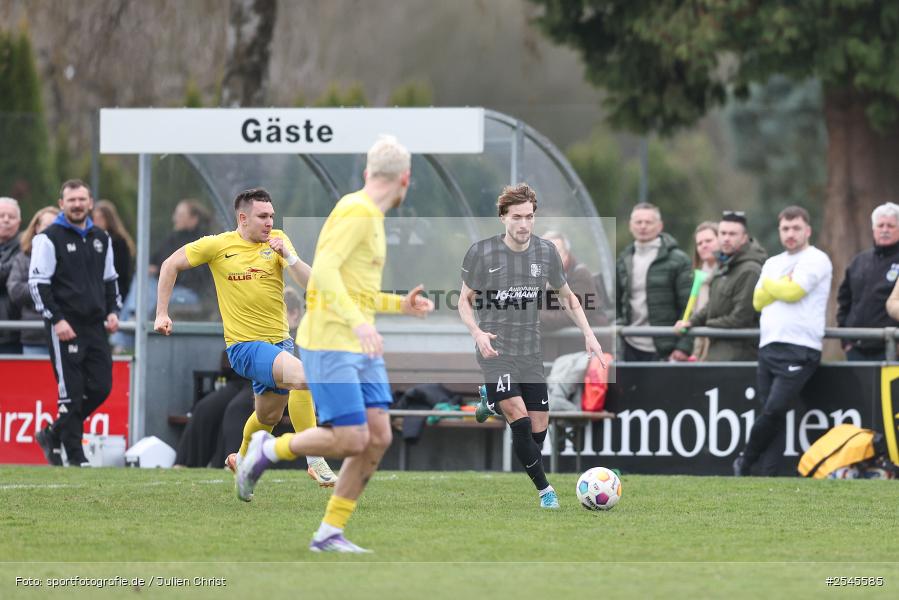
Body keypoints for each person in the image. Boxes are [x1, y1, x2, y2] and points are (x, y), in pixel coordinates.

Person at [236, 135, 435, 553]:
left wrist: (400, 305)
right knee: (349, 439)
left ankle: (328, 533)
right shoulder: (358, 212)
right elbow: (324, 273)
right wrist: (358, 324)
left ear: (368, 172)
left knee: (377, 436)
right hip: (330, 341)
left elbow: (353, 291)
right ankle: (265, 451)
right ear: (406, 178)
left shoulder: (371, 218)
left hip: (358, 344)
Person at [154, 187, 338, 486]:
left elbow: (312, 284)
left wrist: (288, 256)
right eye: (262, 216)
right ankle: (314, 457)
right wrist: (162, 312)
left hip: (279, 343)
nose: (269, 222)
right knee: (303, 377)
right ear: (243, 218)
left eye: (272, 216)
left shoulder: (278, 241)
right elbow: (170, 264)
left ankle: (240, 459)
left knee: (268, 417)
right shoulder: (217, 245)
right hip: (244, 347)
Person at [459, 183, 605, 510]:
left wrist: (588, 333)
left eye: (529, 217)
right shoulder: (482, 252)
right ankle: (546, 491)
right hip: (495, 349)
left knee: (539, 429)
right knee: (521, 420)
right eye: (517, 217)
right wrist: (477, 333)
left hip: (530, 351)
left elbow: (567, 297)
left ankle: (492, 400)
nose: (524, 224)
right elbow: (463, 301)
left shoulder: (546, 252)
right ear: (502, 218)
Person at [733, 206, 832, 476]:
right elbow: (757, 300)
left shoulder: (817, 259)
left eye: (796, 228)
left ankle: (744, 461)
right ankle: (769, 473)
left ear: (808, 230)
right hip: (769, 345)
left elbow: (793, 292)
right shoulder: (773, 262)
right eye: (785, 229)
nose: (790, 234)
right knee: (770, 412)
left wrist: (772, 285)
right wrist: (779, 285)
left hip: (800, 348)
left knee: (774, 410)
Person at [30, 180, 121, 466]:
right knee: (70, 393)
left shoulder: (101, 237)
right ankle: (76, 455)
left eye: (82, 199)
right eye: (72, 200)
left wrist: (112, 310)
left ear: (90, 202)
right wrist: (57, 320)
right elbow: (38, 284)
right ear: (62, 204)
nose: (77, 204)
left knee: (102, 386)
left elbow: (110, 279)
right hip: (64, 327)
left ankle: (52, 433)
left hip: (95, 327)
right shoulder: (48, 237)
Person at [675, 212, 766, 361]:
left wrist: (707, 325)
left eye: (732, 234)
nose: (726, 238)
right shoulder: (725, 266)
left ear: (744, 238)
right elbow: (711, 305)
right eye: (723, 233)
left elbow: (741, 318)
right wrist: (691, 322)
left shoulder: (750, 269)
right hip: (718, 352)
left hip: (738, 357)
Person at [616, 203, 693, 362]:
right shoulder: (624, 260)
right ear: (631, 226)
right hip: (629, 345)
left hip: (665, 348)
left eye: (648, 222)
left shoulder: (679, 260)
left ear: (660, 226)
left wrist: (683, 347)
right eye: (638, 222)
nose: (643, 226)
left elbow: (689, 307)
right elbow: (616, 302)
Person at [836, 202, 899, 361]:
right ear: (873, 229)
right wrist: (845, 340)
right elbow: (844, 301)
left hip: (890, 347)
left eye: (890, 226)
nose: (885, 230)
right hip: (856, 348)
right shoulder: (859, 261)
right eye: (881, 225)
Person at [7, 207, 59, 355]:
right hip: (34, 335)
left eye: (57, 227)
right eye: (47, 226)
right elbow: (15, 291)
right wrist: (45, 287)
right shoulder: (23, 258)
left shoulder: (71, 257)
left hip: (66, 333)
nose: (52, 231)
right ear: (37, 228)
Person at [539, 230, 607, 332]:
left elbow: (572, 315)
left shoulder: (580, 275)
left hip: (583, 343)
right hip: (559, 343)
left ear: (566, 253)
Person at [92, 200, 135, 302]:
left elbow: (122, 272)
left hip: (114, 292)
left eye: (100, 218)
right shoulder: (92, 238)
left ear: (108, 219)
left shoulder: (118, 242)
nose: (96, 222)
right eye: (95, 218)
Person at [688, 221, 719, 360]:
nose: (704, 246)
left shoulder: (726, 273)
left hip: (717, 343)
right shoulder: (698, 275)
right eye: (699, 243)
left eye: (708, 241)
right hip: (699, 345)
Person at [0, 196, 23, 354]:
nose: (6, 220)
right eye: (1, 216)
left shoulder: (25, 247)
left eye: (11, 216)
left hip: (11, 332)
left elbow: (6, 276)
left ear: (19, 222)